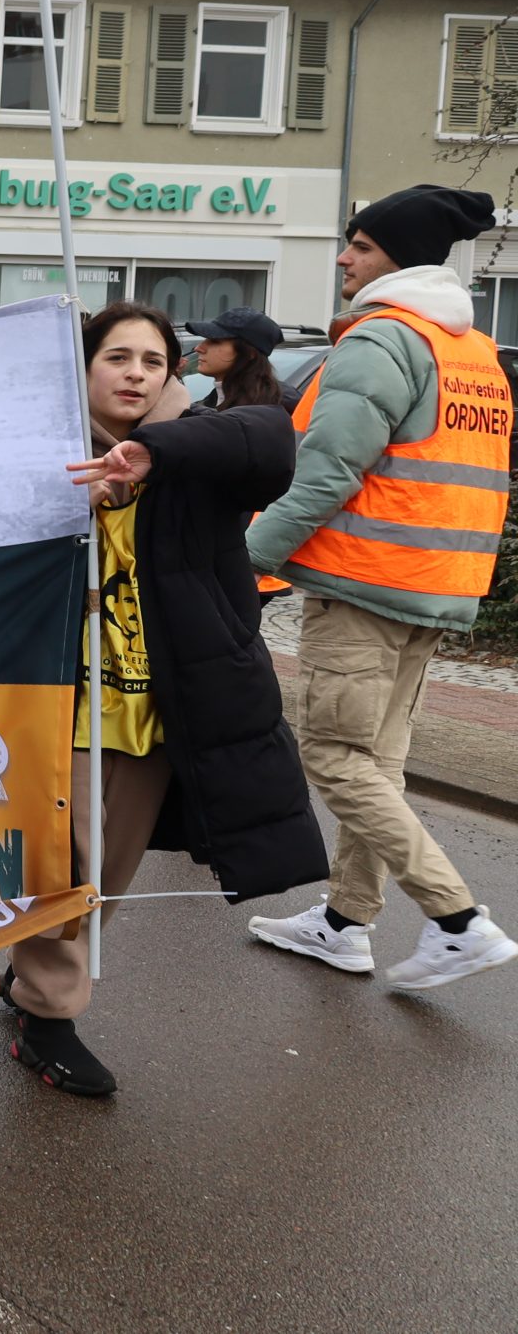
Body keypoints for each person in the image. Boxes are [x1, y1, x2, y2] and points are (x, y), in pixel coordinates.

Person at [0, 303, 325, 1098]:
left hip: (154, 708)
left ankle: (28, 976)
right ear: (83, 367)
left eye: (153, 359)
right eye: (117, 356)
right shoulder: (33, 452)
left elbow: (272, 442)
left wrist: (155, 453)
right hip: (56, 703)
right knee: (65, 862)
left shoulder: (199, 447)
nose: (136, 372)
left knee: (106, 872)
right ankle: (47, 1014)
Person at [246, 186, 518, 989]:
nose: (344, 256)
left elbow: (328, 471)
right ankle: (344, 921)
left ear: (397, 259)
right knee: (376, 763)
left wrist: (245, 560)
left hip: (365, 584)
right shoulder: (472, 351)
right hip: (438, 587)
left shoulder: (383, 338)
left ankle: (458, 920)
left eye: (361, 245)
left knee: (335, 756)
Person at [187, 306, 285, 410]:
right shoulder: (216, 399)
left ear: (249, 353)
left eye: (215, 341)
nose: (198, 348)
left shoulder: (259, 410)